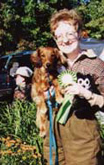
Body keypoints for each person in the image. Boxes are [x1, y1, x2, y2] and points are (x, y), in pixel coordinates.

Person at [43, 9, 104, 165]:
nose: (65, 40)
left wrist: (86, 94)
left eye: (70, 33)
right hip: (54, 136)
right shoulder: (51, 65)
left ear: (79, 33)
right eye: (59, 36)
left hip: (83, 135)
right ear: (55, 39)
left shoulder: (95, 64)